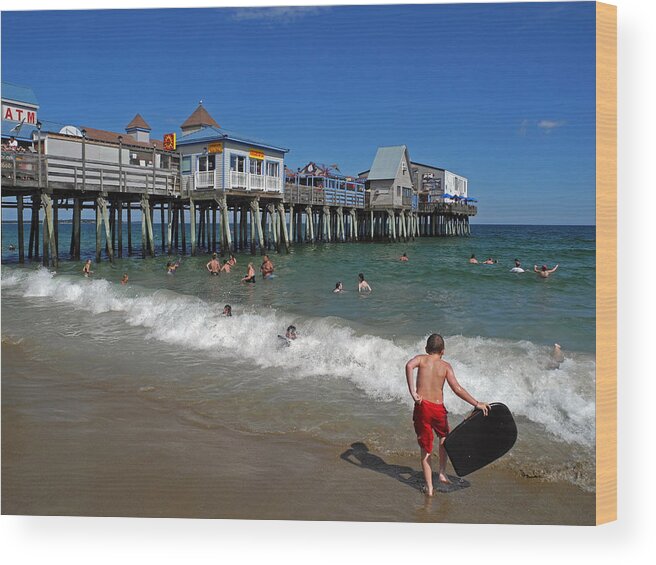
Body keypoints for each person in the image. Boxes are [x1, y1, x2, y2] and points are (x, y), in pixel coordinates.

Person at [405, 333, 490, 497]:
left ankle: (429, 488)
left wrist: (413, 393)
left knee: (425, 449)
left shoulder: (421, 359)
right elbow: (457, 389)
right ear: (443, 351)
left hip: (422, 406)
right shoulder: (445, 366)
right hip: (437, 408)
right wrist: (476, 403)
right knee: (444, 437)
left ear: (426, 349)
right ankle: (442, 472)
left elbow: (408, 365)